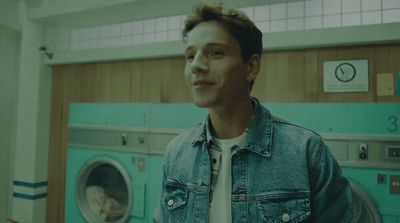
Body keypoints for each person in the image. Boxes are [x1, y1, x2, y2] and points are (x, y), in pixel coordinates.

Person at [153, 3, 352, 223]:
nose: (196, 66)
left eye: (216, 52)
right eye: (190, 56)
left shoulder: (307, 153)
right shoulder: (177, 154)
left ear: (251, 67)